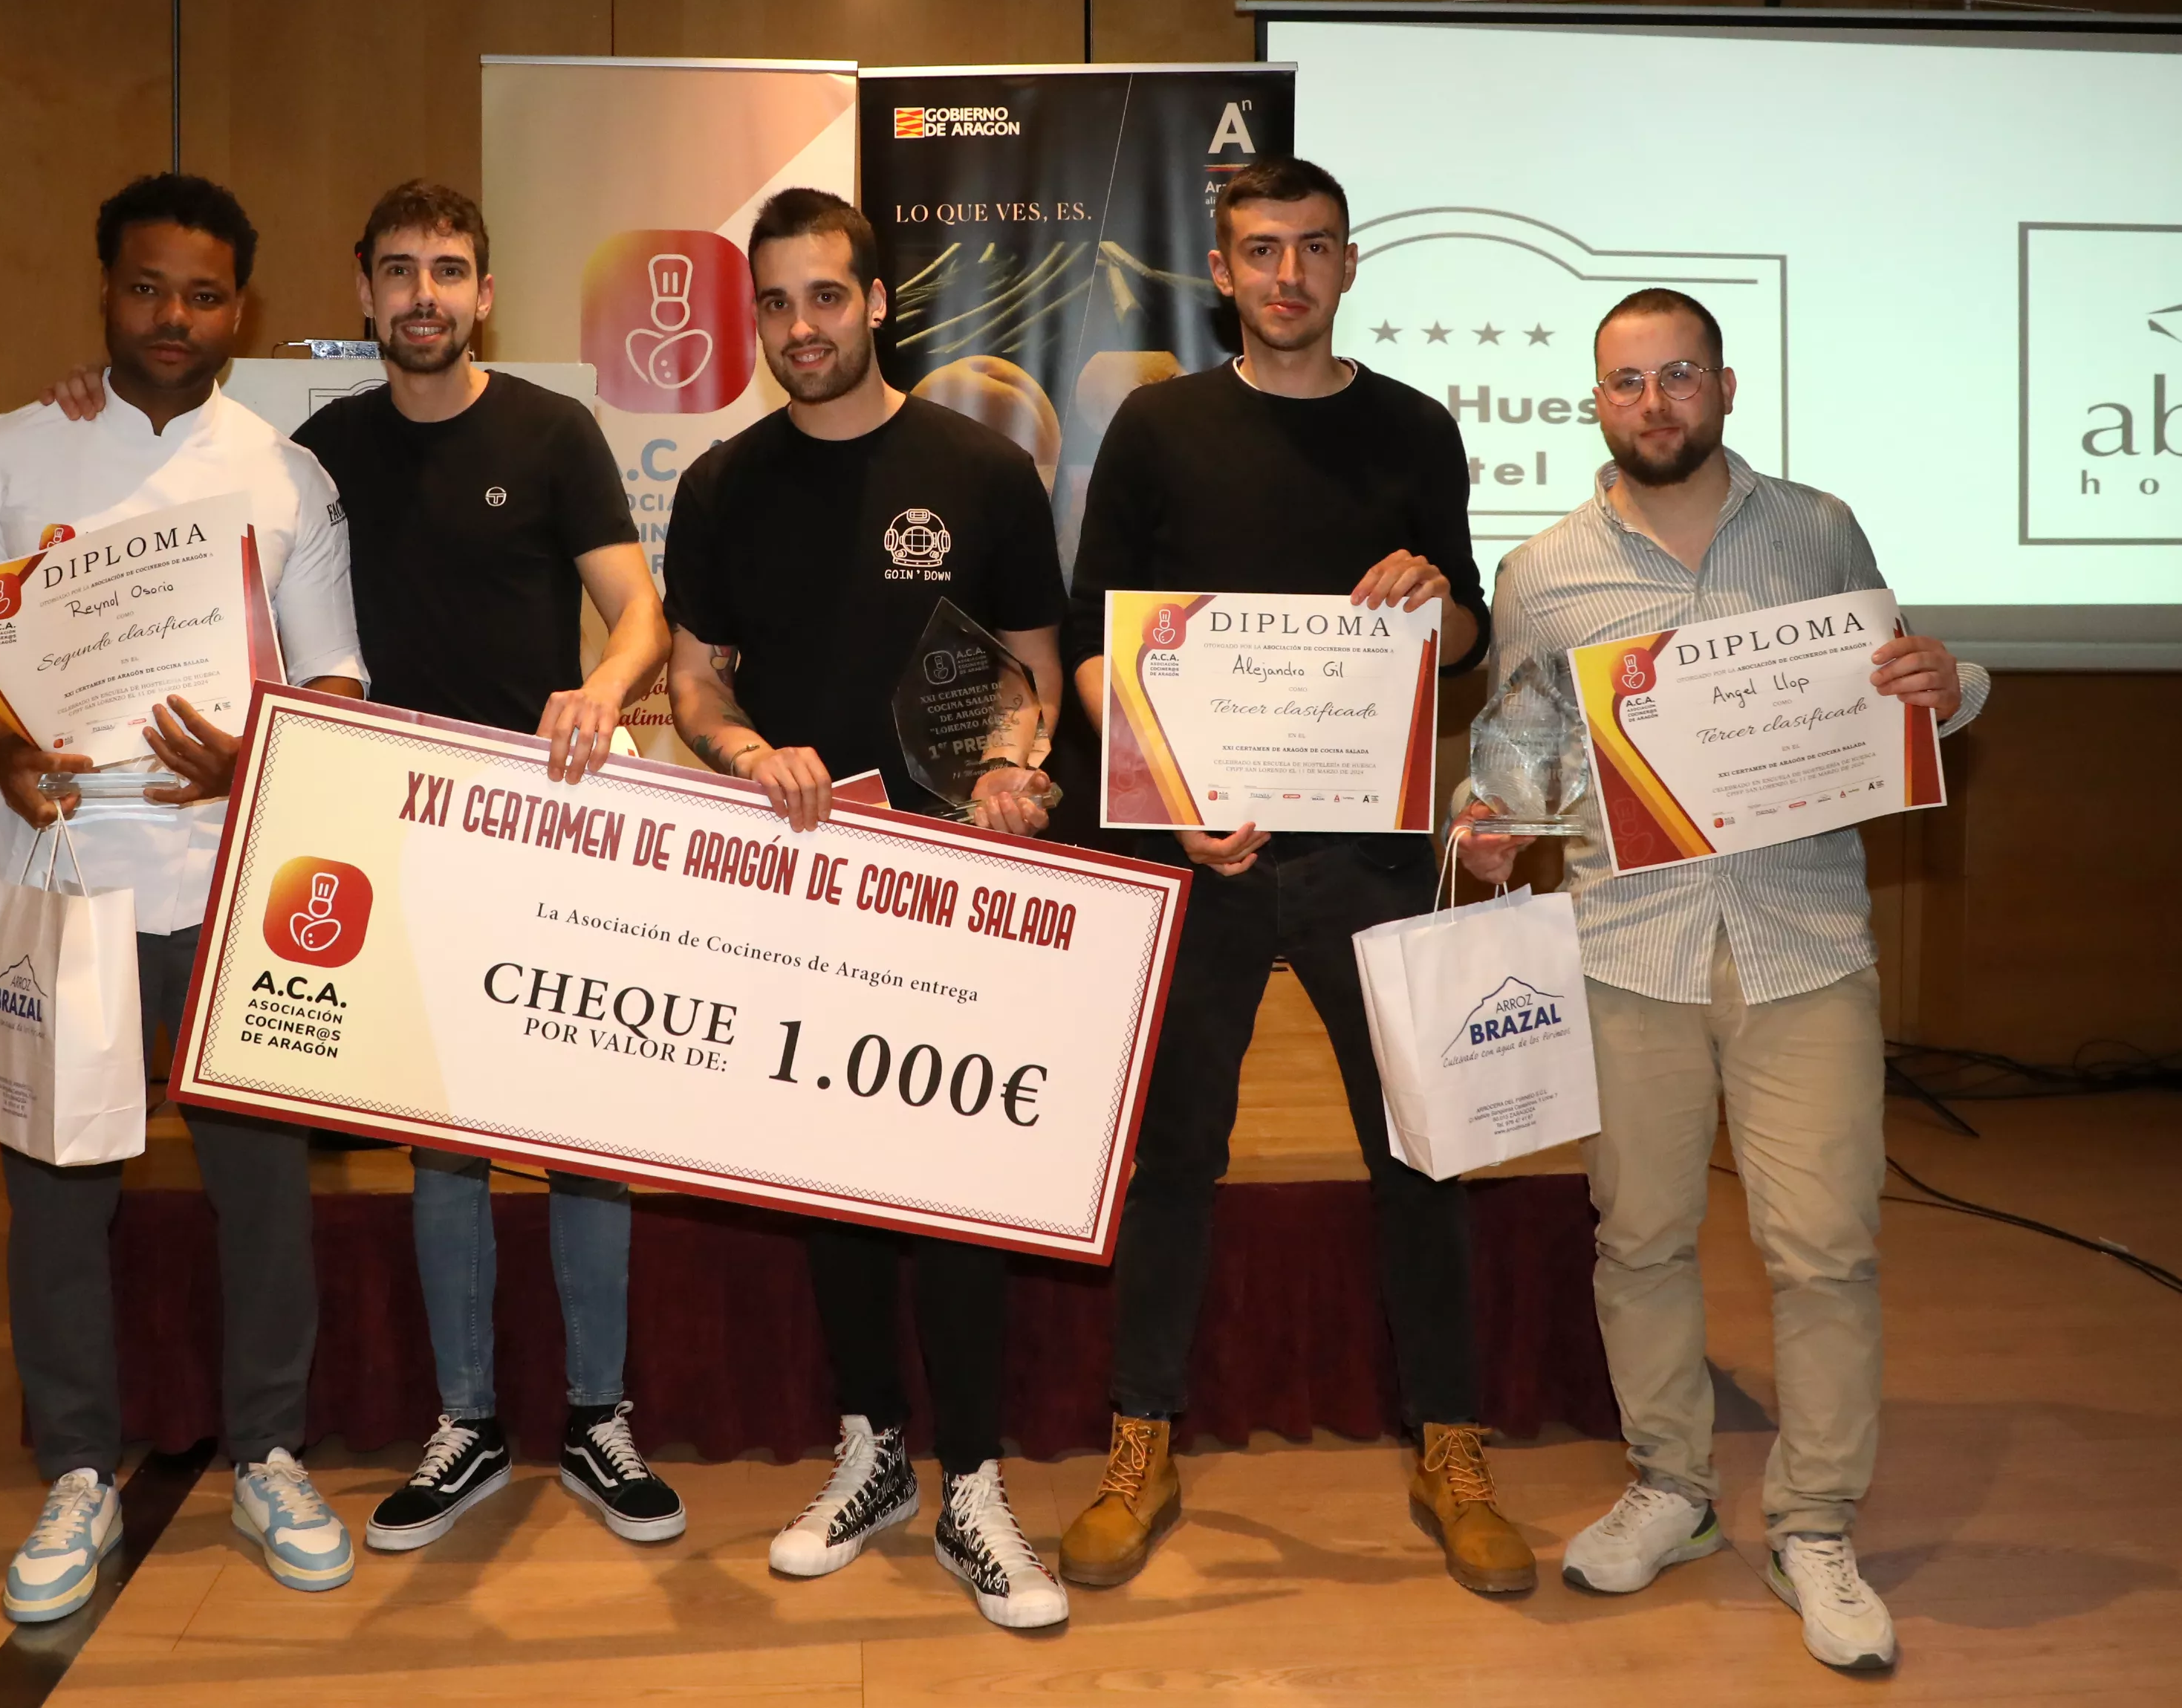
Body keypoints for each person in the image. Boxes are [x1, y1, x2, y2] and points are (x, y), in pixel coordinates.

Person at [42, 181, 684, 1554]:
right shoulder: (317, 448)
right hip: (390, 831)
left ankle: (597, 1414)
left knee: (579, 1137)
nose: (424, 296)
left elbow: (640, 611)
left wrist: (604, 684)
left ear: (485, 292)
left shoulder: (553, 430)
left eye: (449, 270)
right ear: (363, 293)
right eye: (399, 272)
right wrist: (81, 410)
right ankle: (465, 1422)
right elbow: (177, 485)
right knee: (440, 1135)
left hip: (541, 820)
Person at [1456, 286, 1988, 1673]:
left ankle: (1813, 1524)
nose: (1654, 405)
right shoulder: (1541, 573)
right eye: (1626, 384)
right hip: (1627, 947)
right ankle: (1675, 1491)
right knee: (1637, 1238)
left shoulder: (1816, 529)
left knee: (1824, 1248)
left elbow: (1904, 680)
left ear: (1725, 385)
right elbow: (1515, 757)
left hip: (1802, 939)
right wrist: (1486, 812)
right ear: (1594, 403)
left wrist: (1955, 683)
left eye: (1677, 376)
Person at [0, 173, 369, 1620]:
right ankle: (80, 1470)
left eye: (205, 294)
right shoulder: (10, 456)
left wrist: (255, 753)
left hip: (234, 884)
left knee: (265, 1192)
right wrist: (0, 748)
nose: (174, 318)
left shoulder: (285, 473)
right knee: (55, 1192)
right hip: (56, 879)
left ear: (246, 307)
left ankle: (272, 1455)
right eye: (148, 288)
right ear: (104, 287)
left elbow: (340, 672)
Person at [1059, 155, 1533, 1597]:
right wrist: (1168, 790)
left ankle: (1450, 1443)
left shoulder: (1415, 431)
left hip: (1369, 856)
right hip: (1198, 851)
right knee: (1172, 1162)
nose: (1285, 276)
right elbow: (1093, 650)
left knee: (1418, 1153)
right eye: (1259, 251)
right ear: (1221, 270)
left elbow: (1464, 654)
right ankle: (1143, 1438)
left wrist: (1442, 605)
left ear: (1346, 266)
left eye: (1312, 250)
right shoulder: (1158, 428)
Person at [661, 187, 1070, 1631]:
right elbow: (693, 683)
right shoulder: (721, 488)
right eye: (774, 303)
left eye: (826, 296)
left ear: (879, 301)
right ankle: (872, 1449)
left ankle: (974, 1485)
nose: (800, 327)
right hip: (805, 876)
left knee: (957, 1188)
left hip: (955, 884)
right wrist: (741, 748)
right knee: (831, 1176)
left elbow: (1035, 668)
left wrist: (1020, 766)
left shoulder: (980, 469)